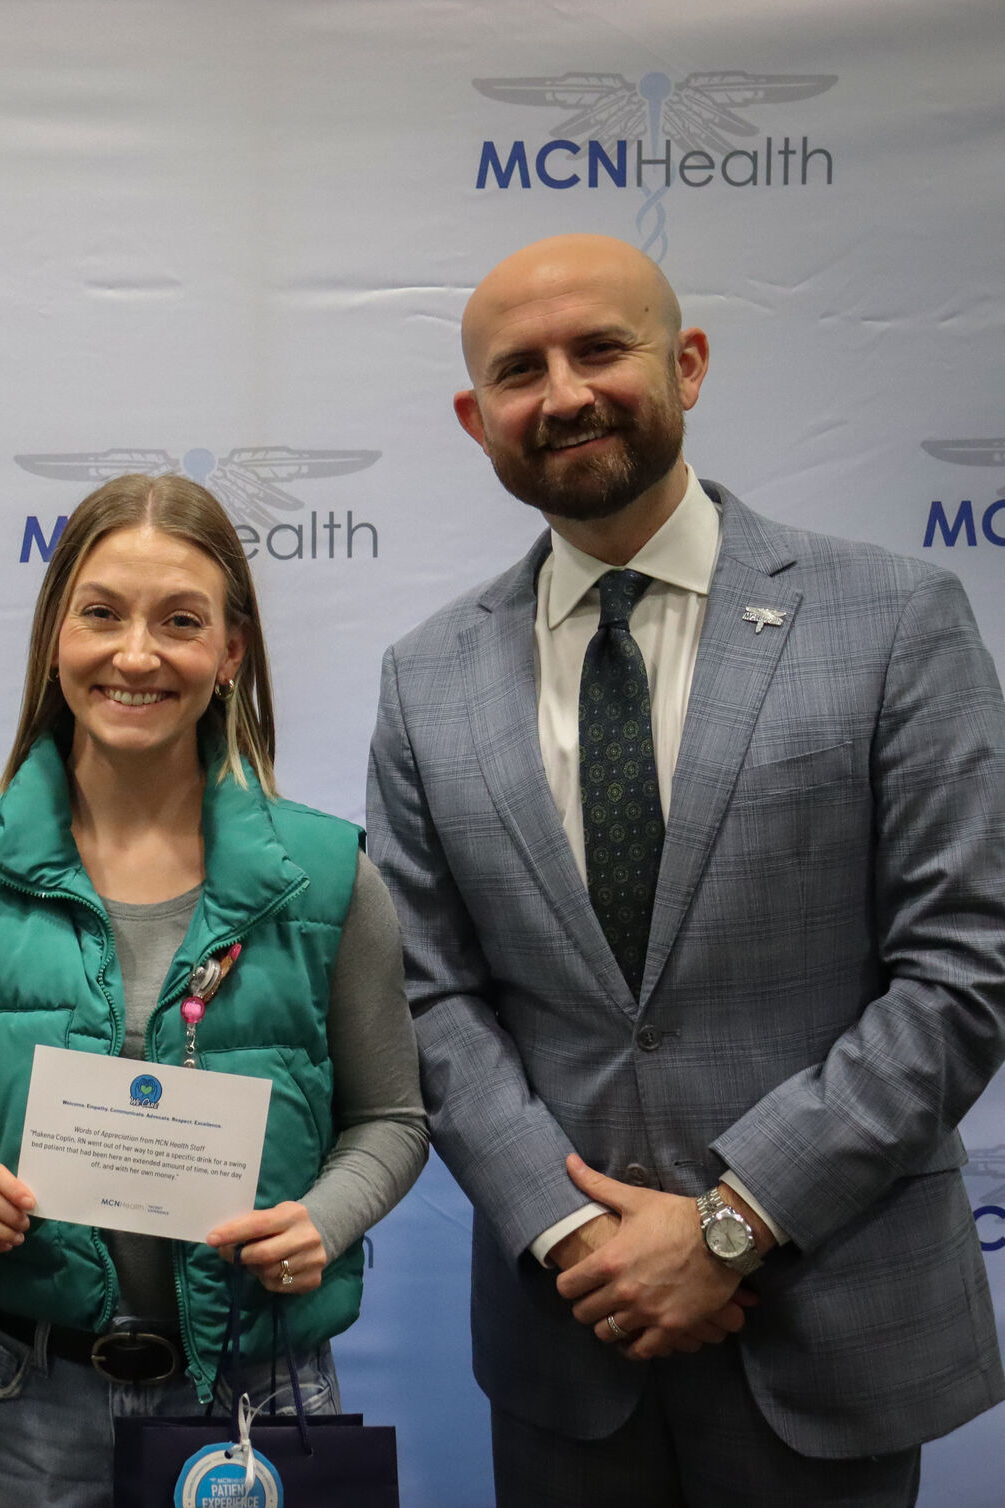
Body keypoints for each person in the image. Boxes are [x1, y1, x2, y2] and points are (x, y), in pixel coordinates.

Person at [366, 232, 1005, 1505]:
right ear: (476, 418)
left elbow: (964, 966)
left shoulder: (894, 617)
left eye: (601, 349)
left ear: (689, 364)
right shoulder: (426, 675)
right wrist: (576, 1233)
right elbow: (426, 994)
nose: (564, 394)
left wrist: (733, 1220)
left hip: (827, 1322)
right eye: (519, 370)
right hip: (570, 1341)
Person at [0, 474, 428, 1507]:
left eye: (180, 621)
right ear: (55, 635)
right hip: (28, 1401)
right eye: (101, 613)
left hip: (260, 1397)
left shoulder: (328, 876)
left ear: (231, 652)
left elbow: (392, 1119)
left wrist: (324, 1220)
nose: (135, 655)